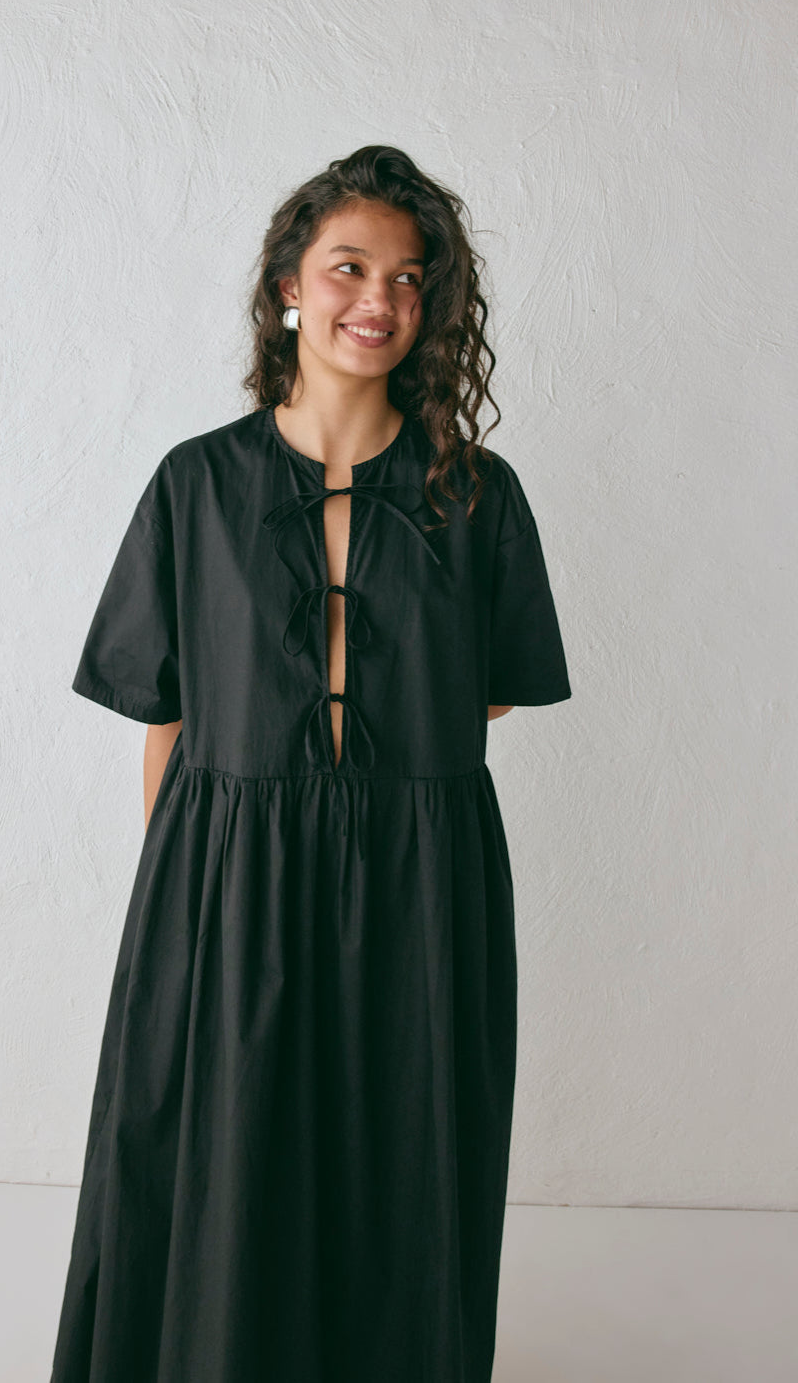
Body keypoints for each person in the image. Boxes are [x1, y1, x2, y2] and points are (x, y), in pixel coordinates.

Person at [49, 145, 571, 1383]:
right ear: (290, 284)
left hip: (420, 871)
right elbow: (166, 708)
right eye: (348, 267)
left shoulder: (477, 495)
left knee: (405, 1154)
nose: (377, 298)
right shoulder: (195, 485)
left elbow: (489, 685)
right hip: (224, 870)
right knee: (222, 1163)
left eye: (408, 277)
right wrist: (184, 896)